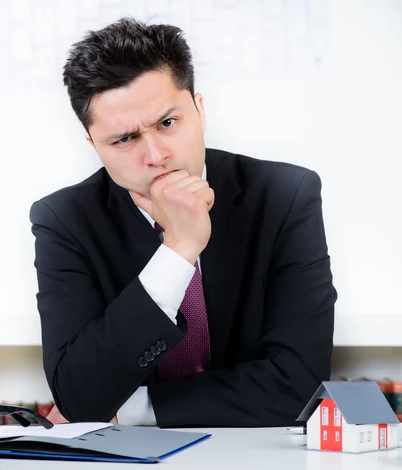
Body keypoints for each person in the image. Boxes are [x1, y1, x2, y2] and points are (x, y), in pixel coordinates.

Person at [29, 17, 337, 428]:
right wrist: (178, 251)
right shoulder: (64, 220)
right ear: (93, 144)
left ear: (200, 110)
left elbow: (300, 387)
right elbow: (78, 394)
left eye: (167, 123)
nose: (155, 154)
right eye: (124, 139)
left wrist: (134, 409)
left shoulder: (284, 195)